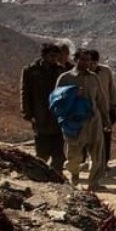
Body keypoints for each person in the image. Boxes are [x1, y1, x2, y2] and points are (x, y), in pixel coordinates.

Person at [54, 49, 107, 191]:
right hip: (74, 122)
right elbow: (56, 99)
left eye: (88, 60)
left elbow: (101, 99)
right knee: (73, 154)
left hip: (94, 121)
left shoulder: (94, 78)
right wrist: (71, 95)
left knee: (97, 154)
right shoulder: (66, 78)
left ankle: (93, 182)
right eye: (82, 59)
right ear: (76, 60)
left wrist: (107, 120)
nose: (86, 63)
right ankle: (74, 175)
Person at [20, 42, 68, 171]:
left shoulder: (61, 71)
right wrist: (27, 113)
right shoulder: (31, 70)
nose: (54, 59)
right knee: (42, 151)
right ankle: (40, 175)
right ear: (44, 55)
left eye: (56, 56)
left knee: (59, 153)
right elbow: (25, 92)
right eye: (51, 56)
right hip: (40, 115)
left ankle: (56, 176)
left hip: (58, 116)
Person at [84, 48, 116, 168]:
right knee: (88, 136)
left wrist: (114, 103)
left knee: (105, 136)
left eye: (94, 62)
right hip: (88, 110)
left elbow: (111, 88)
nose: (91, 65)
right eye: (89, 62)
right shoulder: (82, 73)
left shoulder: (105, 71)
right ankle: (90, 161)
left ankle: (104, 162)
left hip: (105, 109)